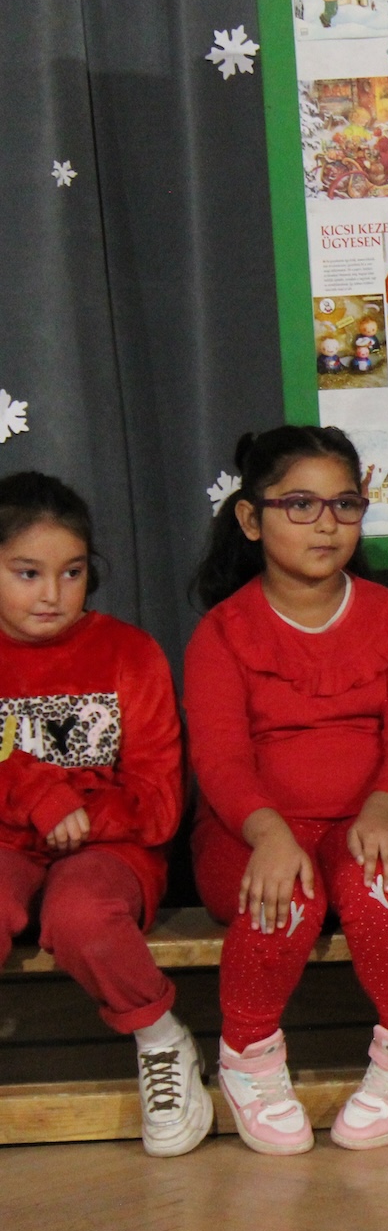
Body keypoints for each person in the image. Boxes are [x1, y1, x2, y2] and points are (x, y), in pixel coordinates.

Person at [186, 426, 388, 1154]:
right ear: (251, 518)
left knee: (382, 887)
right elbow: (220, 758)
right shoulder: (222, 633)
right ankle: (249, 1059)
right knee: (284, 894)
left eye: (344, 505)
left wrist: (385, 810)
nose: (326, 524)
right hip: (253, 831)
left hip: (371, 820)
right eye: (300, 505)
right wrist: (268, 833)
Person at [0, 473, 205, 1158]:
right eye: (27, 573)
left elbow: (160, 804)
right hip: (7, 846)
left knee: (81, 915)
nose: (51, 594)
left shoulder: (129, 654)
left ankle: (161, 1039)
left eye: (72, 572)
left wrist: (76, 810)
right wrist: (37, 799)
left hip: (111, 849)